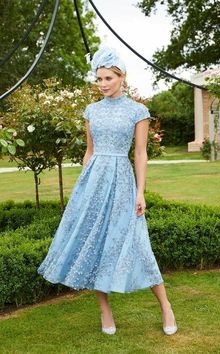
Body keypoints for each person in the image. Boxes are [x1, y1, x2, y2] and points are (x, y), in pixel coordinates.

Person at [37, 47, 177, 336]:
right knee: (95, 245)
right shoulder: (92, 111)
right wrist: (83, 190)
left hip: (122, 182)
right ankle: (105, 310)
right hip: (93, 183)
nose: (102, 84)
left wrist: (140, 192)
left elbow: (140, 154)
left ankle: (165, 306)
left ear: (122, 77)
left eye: (108, 78)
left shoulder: (138, 111)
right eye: (99, 78)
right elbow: (89, 152)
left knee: (138, 244)